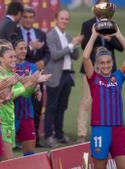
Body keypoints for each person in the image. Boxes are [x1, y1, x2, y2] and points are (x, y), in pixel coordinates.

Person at [83, 24, 125, 169]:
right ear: (97, 65)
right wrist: (94, 34)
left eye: (108, 62)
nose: (105, 65)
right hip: (100, 130)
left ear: (112, 63)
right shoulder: (93, 78)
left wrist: (118, 34)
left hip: (119, 129)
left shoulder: (119, 76)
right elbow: (85, 57)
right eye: (102, 63)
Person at [0, 47, 51, 160]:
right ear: (2, 59)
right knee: (7, 161)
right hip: (1, 123)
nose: (15, 59)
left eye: (15, 56)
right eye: (11, 57)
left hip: (9, 121)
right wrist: (32, 81)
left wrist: (34, 82)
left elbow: (25, 93)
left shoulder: (11, 74)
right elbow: (9, 96)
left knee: (3, 161)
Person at [77, 0, 124, 143]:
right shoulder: (87, 24)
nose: (104, 10)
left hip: (109, 70)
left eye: (107, 7)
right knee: (87, 101)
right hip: (91, 68)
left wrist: (110, 39)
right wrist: (95, 35)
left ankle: (111, 129)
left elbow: (121, 47)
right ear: (96, 9)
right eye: (102, 7)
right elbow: (84, 47)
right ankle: (81, 134)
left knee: (111, 101)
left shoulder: (113, 25)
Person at [44, 10, 83, 147]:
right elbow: (54, 55)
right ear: (56, 19)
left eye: (67, 19)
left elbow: (76, 56)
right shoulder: (50, 35)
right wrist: (72, 45)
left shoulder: (68, 36)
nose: (65, 21)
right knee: (51, 107)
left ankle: (59, 135)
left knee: (62, 107)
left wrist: (76, 44)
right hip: (55, 76)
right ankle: (48, 136)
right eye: (62, 18)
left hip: (67, 75)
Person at [16, 6, 51, 147]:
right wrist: (31, 48)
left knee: (36, 106)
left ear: (34, 18)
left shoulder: (41, 34)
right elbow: (17, 52)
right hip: (20, 76)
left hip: (37, 75)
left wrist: (43, 61)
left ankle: (35, 138)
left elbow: (48, 52)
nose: (28, 20)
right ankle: (17, 139)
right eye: (26, 17)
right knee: (18, 104)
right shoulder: (15, 33)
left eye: (31, 17)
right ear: (21, 18)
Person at [14, 39, 38, 156]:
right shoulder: (7, 68)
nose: (24, 51)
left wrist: (37, 89)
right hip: (9, 117)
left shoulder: (32, 67)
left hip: (26, 114)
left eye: (25, 48)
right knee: (3, 157)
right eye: (20, 48)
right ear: (13, 50)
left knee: (29, 154)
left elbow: (33, 87)